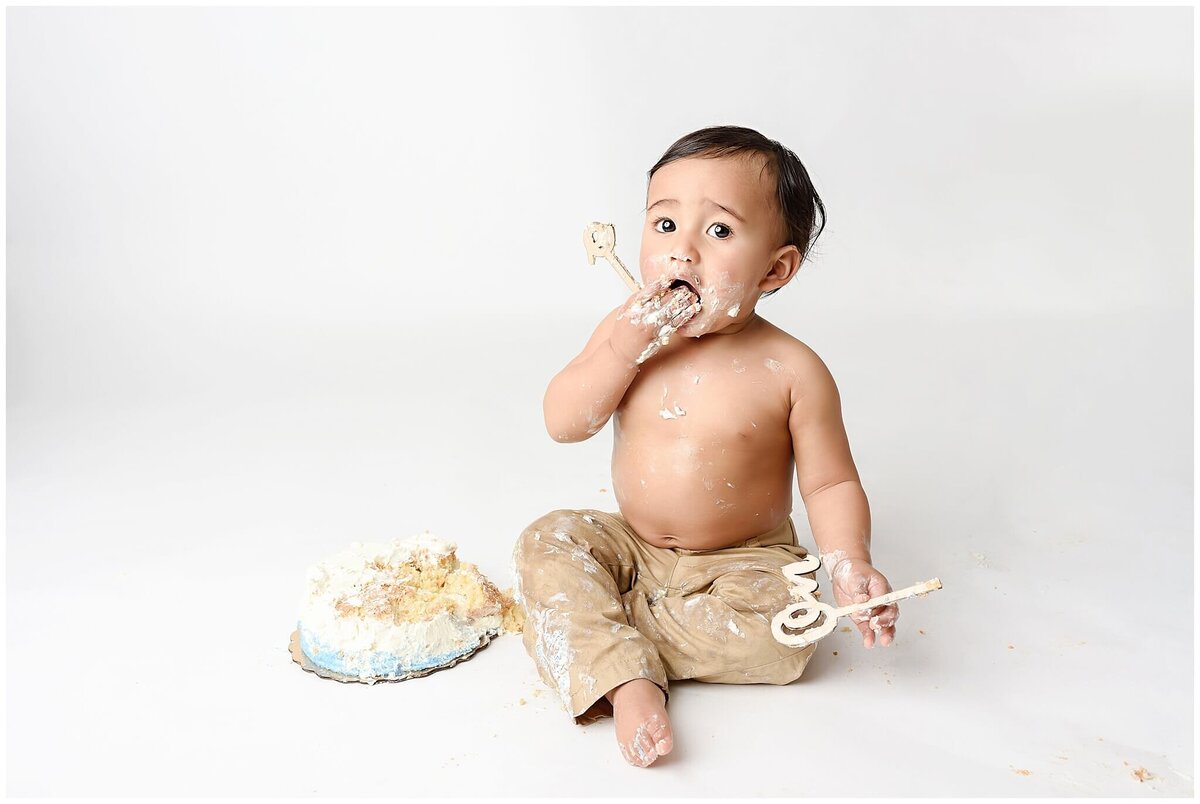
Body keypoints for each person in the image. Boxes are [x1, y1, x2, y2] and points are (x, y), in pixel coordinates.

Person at [512, 125, 898, 768]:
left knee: (789, 639)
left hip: (745, 562)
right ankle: (629, 676)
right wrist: (621, 351)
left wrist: (848, 563)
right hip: (634, 546)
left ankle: (603, 636)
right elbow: (564, 422)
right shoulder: (625, 331)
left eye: (718, 231)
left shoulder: (792, 368)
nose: (681, 252)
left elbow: (830, 484)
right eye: (664, 225)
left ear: (775, 269)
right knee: (546, 542)